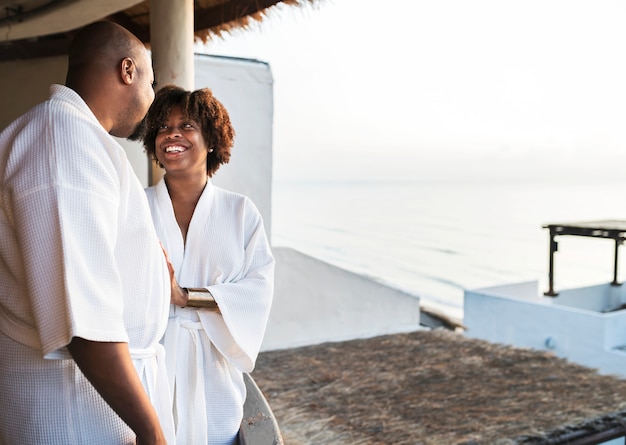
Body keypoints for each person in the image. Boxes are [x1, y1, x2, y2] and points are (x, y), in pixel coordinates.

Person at [0, 21, 176, 444]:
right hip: (75, 408)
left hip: (87, 400)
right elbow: (85, 324)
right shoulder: (64, 142)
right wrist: (151, 430)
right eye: (151, 84)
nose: (151, 100)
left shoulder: (71, 137)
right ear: (128, 70)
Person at [141, 85, 275, 445]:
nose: (172, 134)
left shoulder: (240, 213)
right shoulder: (135, 209)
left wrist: (185, 297)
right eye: (163, 127)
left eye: (186, 125)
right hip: (149, 368)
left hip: (214, 374)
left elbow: (256, 291)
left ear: (212, 139)